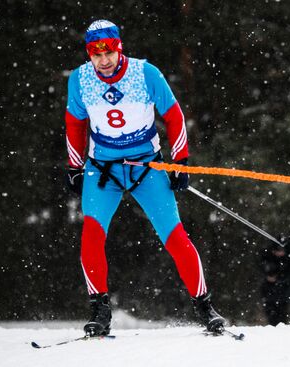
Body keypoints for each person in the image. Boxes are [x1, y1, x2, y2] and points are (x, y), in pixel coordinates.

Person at [65, 19, 225, 336]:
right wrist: (74, 166)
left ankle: (205, 307)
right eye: (96, 54)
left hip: (146, 169)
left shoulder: (144, 73)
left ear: (119, 47)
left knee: (176, 237)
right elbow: (75, 122)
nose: (104, 60)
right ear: (89, 55)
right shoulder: (80, 80)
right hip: (103, 172)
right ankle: (99, 310)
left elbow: (174, 114)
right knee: (91, 238)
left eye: (109, 51)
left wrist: (180, 162)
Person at [260, 235, 290, 326]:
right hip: (268, 291)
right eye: (276, 251)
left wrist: (278, 279)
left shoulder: (289, 259)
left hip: (283, 291)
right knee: (270, 313)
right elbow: (262, 267)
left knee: (282, 315)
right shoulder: (268, 256)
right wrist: (268, 276)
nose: (277, 253)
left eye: (280, 251)